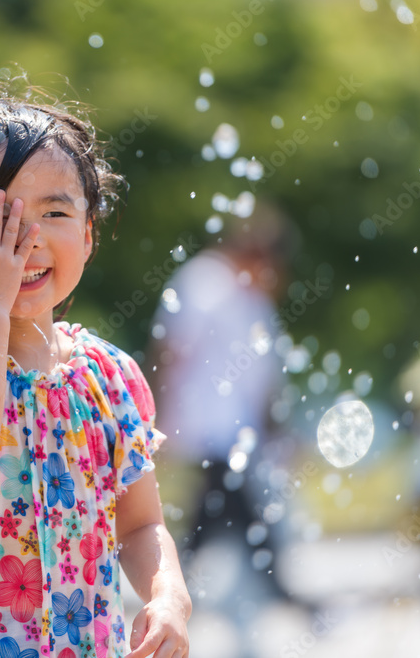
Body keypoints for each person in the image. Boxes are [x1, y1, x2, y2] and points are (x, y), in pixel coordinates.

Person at [0, 80, 190, 658]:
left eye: (55, 210)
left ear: (88, 233)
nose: (26, 239)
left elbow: (140, 525)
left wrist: (169, 593)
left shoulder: (110, 376)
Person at [149, 209, 293, 606]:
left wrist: (274, 429)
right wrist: (157, 413)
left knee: (218, 507)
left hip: (233, 428)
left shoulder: (253, 299)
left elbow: (263, 377)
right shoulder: (203, 283)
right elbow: (172, 351)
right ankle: (277, 584)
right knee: (230, 504)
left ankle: (179, 577)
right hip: (206, 421)